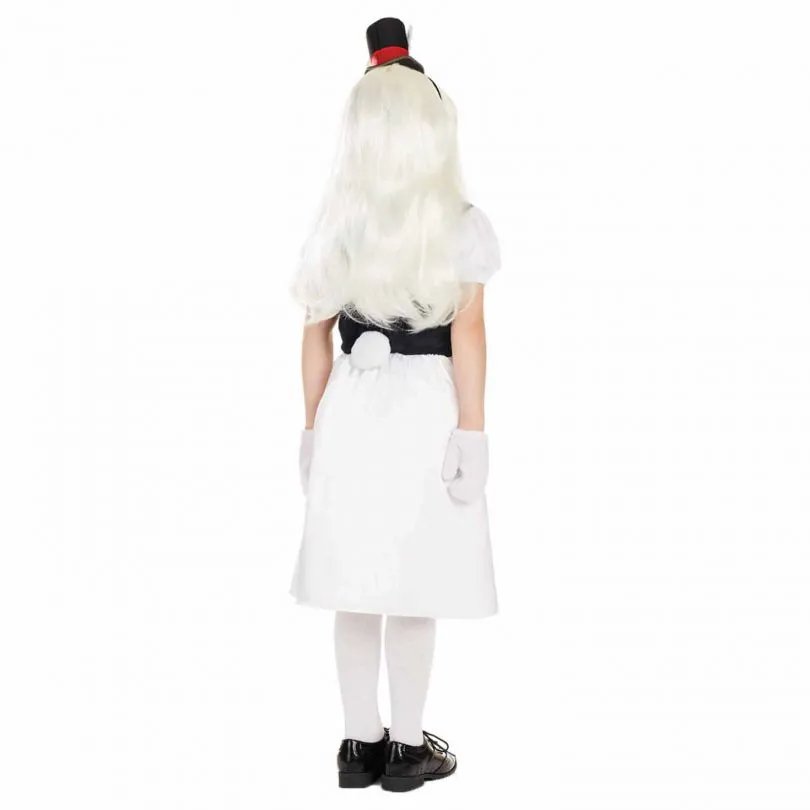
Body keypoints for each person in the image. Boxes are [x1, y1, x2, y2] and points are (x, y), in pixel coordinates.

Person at [290, 17, 501, 793]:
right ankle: (408, 747)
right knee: (416, 576)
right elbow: (468, 332)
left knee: (355, 579)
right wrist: (471, 431)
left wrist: (313, 426)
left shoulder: (336, 226)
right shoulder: (459, 224)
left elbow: (314, 336)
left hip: (354, 402)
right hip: (424, 410)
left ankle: (359, 743)